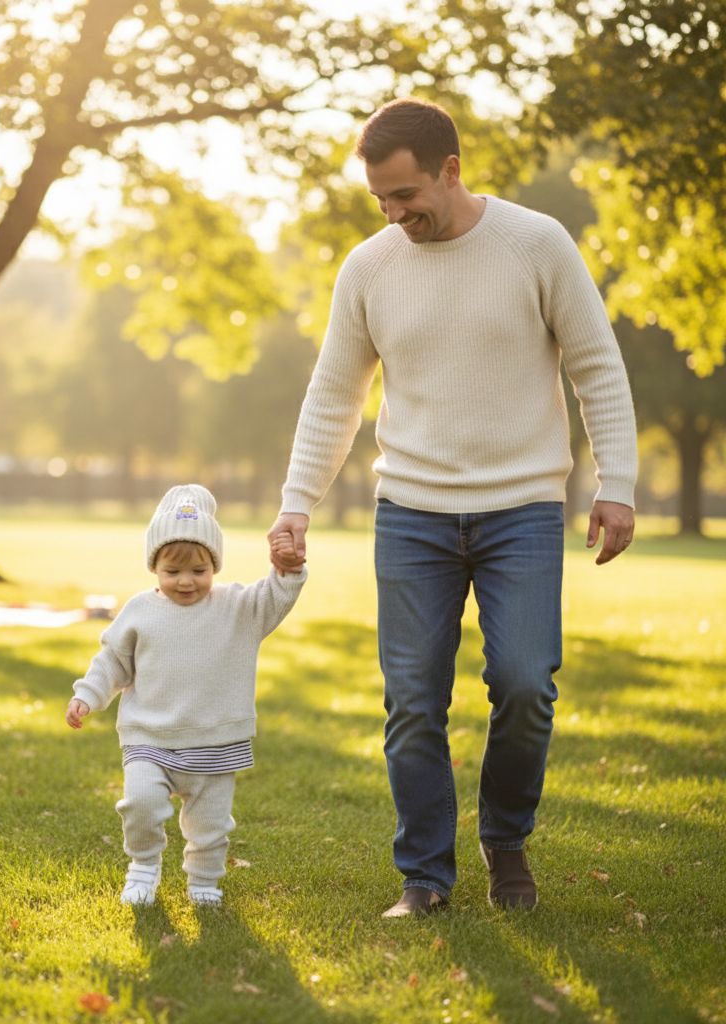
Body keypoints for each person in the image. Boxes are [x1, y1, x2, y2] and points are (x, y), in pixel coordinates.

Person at [267, 98, 637, 917]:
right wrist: (297, 502)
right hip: (412, 513)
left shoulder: (537, 244)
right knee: (412, 703)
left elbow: (597, 367)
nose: (394, 215)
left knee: (525, 685)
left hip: (522, 507)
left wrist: (617, 483)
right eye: (380, 200)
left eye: (406, 196)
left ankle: (505, 839)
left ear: (451, 169)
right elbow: (334, 394)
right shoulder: (369, 268)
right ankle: (425, 877)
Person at [66, 484, 307, 907]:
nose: (186, 581)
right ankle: (143, 866)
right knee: (140, 804)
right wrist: (88, 694)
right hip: (149, 737)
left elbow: (275, 596)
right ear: (154, 567)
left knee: (210, 826)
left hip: (215, 740)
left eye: (199, 570)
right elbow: (112, 660)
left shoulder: (237, 607)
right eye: (172, 570)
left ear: (214, 564)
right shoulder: (140, 610)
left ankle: (204, 883)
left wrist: (287, 568)